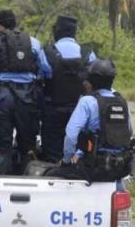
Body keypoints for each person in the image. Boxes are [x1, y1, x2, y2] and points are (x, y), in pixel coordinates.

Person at [0, 10, 50, 172]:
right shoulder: (33, 42)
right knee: (27, 143)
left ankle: (3, 174)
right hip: (27, 97)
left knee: (3, 143)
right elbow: (47, 70)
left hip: (3, 97)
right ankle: (28, 174)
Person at [60, 59, 135, 182]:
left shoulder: (87, 101)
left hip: (93, 168)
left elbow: (71, 136)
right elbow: (129, 132)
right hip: (119, 168)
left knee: (55, 173)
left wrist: (67, 161)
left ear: (90, 79)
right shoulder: (122, 102)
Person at [40, 15, 96, 162]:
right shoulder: (88, 54)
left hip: (53, 109)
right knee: (80, 147)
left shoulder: (46, 52)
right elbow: (94, 80)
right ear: (74, 32)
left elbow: (40, 77)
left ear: (56, 31)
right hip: (80, 109)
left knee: (51, 154)